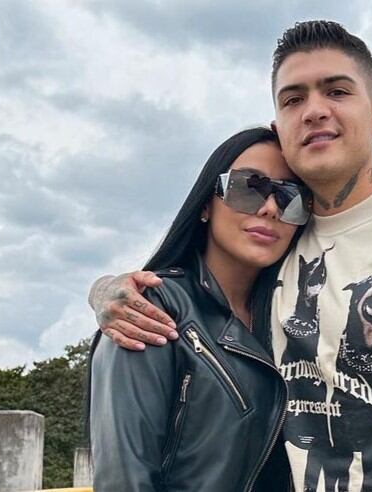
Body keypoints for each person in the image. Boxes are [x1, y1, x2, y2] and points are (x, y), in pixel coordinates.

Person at [89, 21, 372, 491]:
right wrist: (107, 291)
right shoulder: (280, 241)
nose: (315, 110)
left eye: (337, 91)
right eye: (293, 99)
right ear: (280, 127)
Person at [88, 127, 310, 491]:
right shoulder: (150, 310)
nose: (271, 208)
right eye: (247, 187)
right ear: (206, 204)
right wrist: (102, 289)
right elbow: (124, 479)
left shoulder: (292, 320)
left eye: (290, 197)